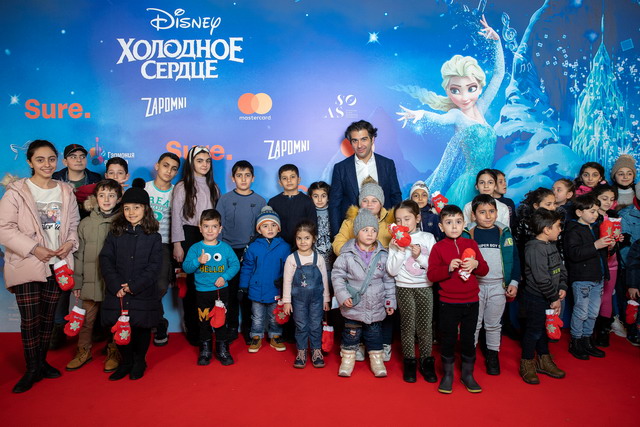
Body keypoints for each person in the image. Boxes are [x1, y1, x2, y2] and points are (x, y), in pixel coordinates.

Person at [397, 16, 504, 207]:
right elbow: (440, 119)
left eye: (471, 88)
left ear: (480, 87)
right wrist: (421, 114)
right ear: (448, 91)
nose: (464, 97)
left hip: (488, 183)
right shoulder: (456, 115)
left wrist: (497, 42)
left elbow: (498, 75)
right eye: (455, 90)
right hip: (470, 185)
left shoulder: (482, 106)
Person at [0, 140, 80, 393]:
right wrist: (34, 248)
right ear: (30, 162)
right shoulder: (16, 192)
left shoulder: (65, 190)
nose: (47, 164)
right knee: (30, 321)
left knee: (48, 319)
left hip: (58, 265)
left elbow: (73, 225)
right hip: (27, 263)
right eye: (40, 159)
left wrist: (69, 243)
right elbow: (4, 228)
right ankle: (31, 368)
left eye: (51, 159)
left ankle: (42, 363)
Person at [99, 187, 162, 381]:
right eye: (127, 208)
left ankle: (139, 361)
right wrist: (116, 284)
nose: (131, 212)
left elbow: (154, 266)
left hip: (142, 291)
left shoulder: (154, 236)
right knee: (121, 327)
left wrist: (134, 286)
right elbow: (106, 259)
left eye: (136, 207)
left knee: (141, 327)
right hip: (118, 291)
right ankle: (125, 362)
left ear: (146, 209)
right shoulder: (115, 234)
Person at [332, 177, 396, 361]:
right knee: (355, 314)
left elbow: (398, 245)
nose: (369, 204)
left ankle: (383, 343)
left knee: (383, 309)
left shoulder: (390, 223)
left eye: (374, 200)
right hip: (357, 272)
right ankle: (357, 343)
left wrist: (385, 255)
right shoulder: (350, 222)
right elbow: (338, 242)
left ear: (381, 203)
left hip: (382, 271)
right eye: (365, 200)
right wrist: (351, 256)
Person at [427, 204, 489, 394]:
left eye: (458, 222)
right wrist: (447, 268)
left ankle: (467, 374)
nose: (454, 226)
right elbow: (431, 275)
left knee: (469, 338)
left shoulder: (471, 244)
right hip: (448, 303)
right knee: (448, 338)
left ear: (464, 224)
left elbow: (484, 270)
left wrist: (476, 263)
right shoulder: (438, 248)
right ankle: (448, 374)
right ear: (441, 227)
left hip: (471, 302)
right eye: (449, 222)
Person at [66, 179, 122, 373]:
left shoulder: (122, 223)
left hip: (113, 282)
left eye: (111, 195)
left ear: (118, 199)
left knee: (115, 318)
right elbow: (78, 255)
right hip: (91, 280)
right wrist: (77, 281)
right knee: (87, 320)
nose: (106, 199)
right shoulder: (85, 223)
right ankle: (83, 350)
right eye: (102, 195)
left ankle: (114, 350)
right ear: (95, 198)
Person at [463, 194, 519, 375]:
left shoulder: (504, 232)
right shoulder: (468, 233)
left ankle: (492, 355)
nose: (488, 216)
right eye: (482, 212)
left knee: (494, 324)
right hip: (474, 287)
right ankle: (469, 356)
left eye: (491, 211)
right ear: (473, 215)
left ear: (496, 212)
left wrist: (514, 282)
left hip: (498, 286)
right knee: (474, 323)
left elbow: (515, 259)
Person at [171, 146, 221, 345]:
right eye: (199, 160)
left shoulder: (214, 187)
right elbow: (176, 217)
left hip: (209, 236)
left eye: (207, 161)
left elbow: (216, 219)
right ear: (191, 163)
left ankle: (207, 326)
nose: (204, 164)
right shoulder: (182, 186)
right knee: (191, 286)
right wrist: (177, 244)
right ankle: (193, 329)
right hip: (189, 235)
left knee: (207, 283)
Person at [386, 200, 437, 383]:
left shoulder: (428, 238)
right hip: (404, 287)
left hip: (424, 287)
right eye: (398, 220)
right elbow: (391, 271)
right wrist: (399, 251)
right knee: (407, 327)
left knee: (425, 327)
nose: (403, 224)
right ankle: (409, 362)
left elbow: (434, 268)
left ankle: (426, 361)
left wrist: (419, 256)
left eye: (407, 219)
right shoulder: (394, 242)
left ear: (417, 218)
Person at [217, 160, 266, 343]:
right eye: (239, 175)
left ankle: (248, 328)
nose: (243, 179)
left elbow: (264, 229)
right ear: (233, 178)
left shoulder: (260, 201)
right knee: (230, 292)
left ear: (253, 178)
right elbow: (218, 227)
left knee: (247, 293)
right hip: (229, 252)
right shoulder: (225, 199)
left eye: (247, 175)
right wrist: (221, 252)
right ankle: (231, 327)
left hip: (251, 252)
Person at [182, 209, 240, 366]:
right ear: (200, 228)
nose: (210, 230)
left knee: (221, 322)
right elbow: (186, 267)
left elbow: (235, 265)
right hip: (202, 293)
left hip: (221, 292)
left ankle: (222, 349)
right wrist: (197, 261)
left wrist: (225, 277)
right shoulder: (195, 248)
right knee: (204, 323)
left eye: (214, 226)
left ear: (220, 229)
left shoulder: (225, 248)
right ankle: (205, 350)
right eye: (206, 226)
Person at [329, 120, 402, 237]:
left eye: (364, 139)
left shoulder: (387, 164)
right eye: (355, 140)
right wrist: (337, 236)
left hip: (385, 231)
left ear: (372, 139)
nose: (359, 145)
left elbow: (395, 197)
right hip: (352, 232)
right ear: (350, 142)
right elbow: (334, 205)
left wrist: (398, 231)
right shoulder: (341, 168)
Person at [519, 208, 567, 385]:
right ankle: (527, 362)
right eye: (558, 226)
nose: (560, 230)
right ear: (547, 229)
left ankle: (544, 359)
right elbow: (541, 278)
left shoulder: (551, 245)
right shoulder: (534, 248)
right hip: (537, 298)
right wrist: (554, 298)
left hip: (549, 296)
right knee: (533, 331)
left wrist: (562, 286)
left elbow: (561, 269)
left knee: (545, 331)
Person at [564, 194, 613, 360]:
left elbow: (603, 254)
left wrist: (611, 245)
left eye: (597, 211)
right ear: (579, 212)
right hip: (582, 278)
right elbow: (573, 254)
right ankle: (576, 341)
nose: (596, 214)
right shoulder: (573, 230)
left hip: (598, 277)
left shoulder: (596, 228)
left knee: (593, 312)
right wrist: (595, 245)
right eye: (592, 211)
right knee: (581, 312)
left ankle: (587, 340)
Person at [239, 206, 291, 353]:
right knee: (257, 316)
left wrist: (284, 284)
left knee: (275, 316)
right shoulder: (253, 247)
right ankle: (256, 336)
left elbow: (288, 269)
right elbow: (247, 267)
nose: (270, 229)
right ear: (259, 229)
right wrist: (243, 287)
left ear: (279, 228)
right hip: (257, 288)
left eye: (273, 225)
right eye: (265, 226)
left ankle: (275, 336)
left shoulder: (284, 247)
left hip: (275, 289)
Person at [282, 221, 330, 368]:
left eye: (307, 238)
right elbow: (287, 281)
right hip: (298, 300)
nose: (303, 242)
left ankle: (316, 350)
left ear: (313, 239)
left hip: (317, 299)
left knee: (315, 325)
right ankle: (301, 351)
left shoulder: (318, 258)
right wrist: (287, 301)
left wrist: (326, 299)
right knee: (301, 325)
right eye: (299, 238)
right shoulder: (292, 259)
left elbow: (324, 280)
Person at [145, 152, 180, 346]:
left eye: (174, 169)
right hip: (143, 242)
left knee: (159, 287)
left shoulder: (177, 192)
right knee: (140, 285)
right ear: (157, 166)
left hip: (165, 244)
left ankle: (158, 321)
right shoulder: (145, 188)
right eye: (166, 165)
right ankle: (156, 322)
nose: (169, 171)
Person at [591, 184, 624, 347]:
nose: (608, 202)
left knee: (607, 297)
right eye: (604, 199)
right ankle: (589, 331)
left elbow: (615, 241)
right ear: (595, 198)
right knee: (593, 298)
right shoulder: (591, 218)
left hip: (612, 263)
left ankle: (603, 331)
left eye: (611, 199)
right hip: (596, 264)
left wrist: (618, 241)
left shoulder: (614, 217)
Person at [268, 164, 317, 246]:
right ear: (280, 182)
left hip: (302, 245)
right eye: (284, 178)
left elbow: (313, 226)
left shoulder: (307, 201)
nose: (289, 180)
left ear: (299, 180)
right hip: (278, 245)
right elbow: (269, 226)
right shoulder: (273, 202)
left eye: (292, 177)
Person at [308, 181, 334, 267]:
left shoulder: (334, 213)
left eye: (323, 196)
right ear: (310, 197)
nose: (319, 200)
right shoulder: (308, 213)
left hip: (332, 258)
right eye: (316, 196)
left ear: (328, 197)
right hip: (313, 259)